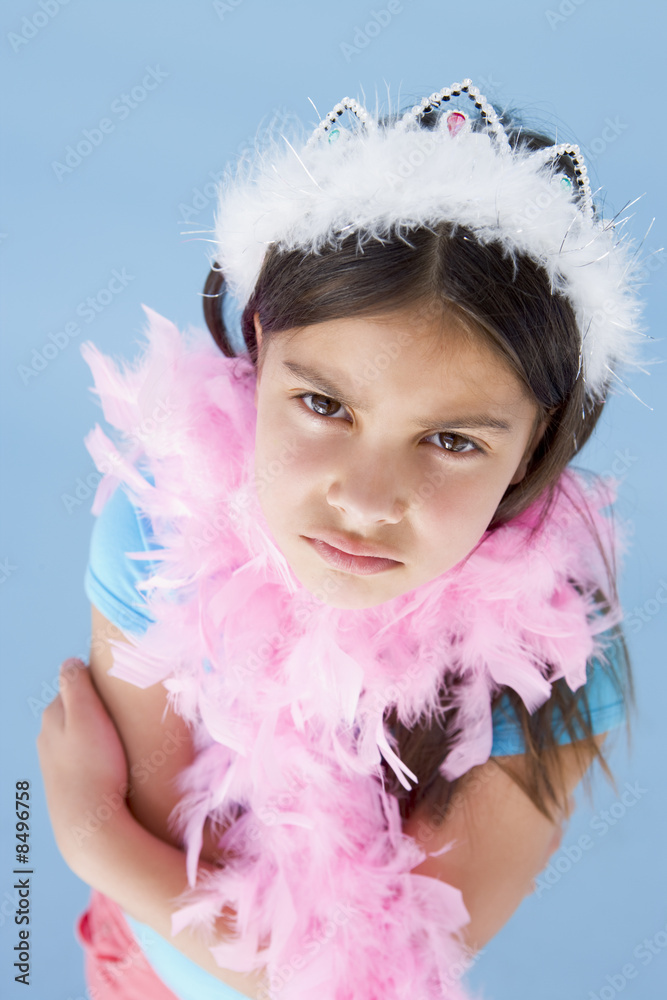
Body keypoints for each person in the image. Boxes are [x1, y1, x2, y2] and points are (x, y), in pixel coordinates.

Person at [37, 79, 646, 1000]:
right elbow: (182, 887)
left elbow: (364, 984)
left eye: (451, 440)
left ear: (533, 447)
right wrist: (134, 863)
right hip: (140, 971)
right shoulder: (155, 527)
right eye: (324, 404)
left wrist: (91, 835)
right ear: (256, 354)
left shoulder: (550, 663)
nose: (365, 500)